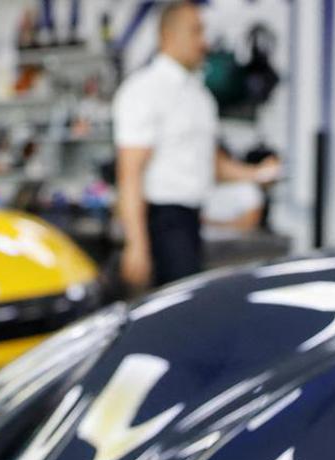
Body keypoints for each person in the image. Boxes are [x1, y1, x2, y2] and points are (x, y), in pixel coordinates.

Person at [113, 1, 279, 290]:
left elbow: (212, 163)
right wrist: (136, 244)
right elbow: (130, 173)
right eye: (196, 31)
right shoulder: (144, 91)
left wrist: (257, 174)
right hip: (161, 222)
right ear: (168, 35)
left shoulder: (200, 97)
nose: (204, 42)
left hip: (193, 220)